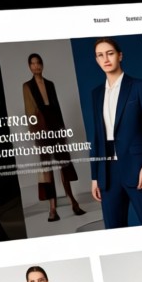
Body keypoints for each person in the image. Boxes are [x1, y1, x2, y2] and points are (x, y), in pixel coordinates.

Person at [89, 38, 142, 229]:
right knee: (115, 231)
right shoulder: (96, 93)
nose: (105, 59)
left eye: (110, 53)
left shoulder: (139, 86)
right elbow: (97, 137)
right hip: (107, 174)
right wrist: (95, 176)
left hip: (138, 169)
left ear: (120, 56)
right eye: (100, 55)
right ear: (96, 60)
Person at [22, 52, 85, 221]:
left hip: (55, 123)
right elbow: (29, 112)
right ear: (29, 66)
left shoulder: (50, 84)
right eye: (33, 63)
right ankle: (52, 209)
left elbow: (56, 107)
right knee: (47, 168)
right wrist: (35, 132)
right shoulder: (27, 86)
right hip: (41, 125)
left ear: (42, 64)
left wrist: (62, 129)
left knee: (64, 163)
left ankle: (73, 201)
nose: (36, 66)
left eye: (38, 63)